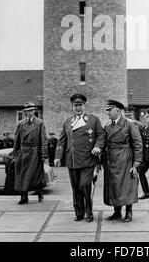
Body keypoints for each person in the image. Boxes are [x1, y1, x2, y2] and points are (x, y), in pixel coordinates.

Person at [54, 94, 105, 222]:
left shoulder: (93, 119)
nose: (78, 108)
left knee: (84, 185)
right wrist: (58, 157)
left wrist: (98, 147)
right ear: (72, 107)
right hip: (72, 160)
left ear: (84, 106)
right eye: (75, 105)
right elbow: (62, 140)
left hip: (88, 159)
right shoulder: (68, 122)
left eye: (80, 105)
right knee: (76, 188)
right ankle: (79, 213)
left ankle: (89, 212)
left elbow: (101, 135)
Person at [103, 99, 143, 222]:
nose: (108, 112)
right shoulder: (107, 126)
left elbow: (138, 143)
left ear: (118, 111)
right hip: (111, 158)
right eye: (108, 110)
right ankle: (117, 211)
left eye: (110, 110)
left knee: (126, 185)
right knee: (114, 185)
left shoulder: (129, 124)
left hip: (125, 157)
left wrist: (136, 164)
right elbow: (103, 143)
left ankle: (129, 212)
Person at [13, 101, 48, 204]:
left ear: (35, 111)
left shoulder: (40, 123)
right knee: (22, 174)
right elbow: (17, 139)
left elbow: (44, 139)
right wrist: (15, 153)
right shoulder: (21, 123)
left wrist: (44, 154)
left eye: (32, 110)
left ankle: (39, 192)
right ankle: (24, 197)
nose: (30, 113)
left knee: (35, 174)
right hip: (23, 152)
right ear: (25, 112)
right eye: (28, 111)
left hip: (34, 152)